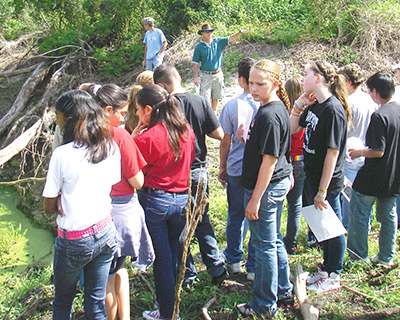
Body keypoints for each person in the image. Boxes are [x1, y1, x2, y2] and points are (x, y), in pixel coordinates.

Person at [42, 90, 120, 319]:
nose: (58, 123)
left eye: (59, 118)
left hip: (74, 238)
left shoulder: (62, 155)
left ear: (70, 119)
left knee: (62, 302)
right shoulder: (109, 145)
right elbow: (112, 183)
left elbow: (48, 207)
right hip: (105, 230)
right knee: (95, 303)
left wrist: (59, 199)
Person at [84, 83, 155, 320]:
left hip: (94, 209)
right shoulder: (120, 135)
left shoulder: (84, 133)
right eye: (122, 114)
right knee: (112, 273)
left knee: (110, 271)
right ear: (107, 110)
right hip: (121, 209)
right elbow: (137, 181)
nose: (125, 119)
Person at [153, 63, 228, 286]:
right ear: (178, 78)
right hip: (199, 169)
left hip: (174, 173)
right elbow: (219, 134)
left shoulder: (163, 107)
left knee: (178, 225)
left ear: (160, 85)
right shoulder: (200, 101)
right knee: (202, 219)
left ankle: (186, 274)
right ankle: (216, 268)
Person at [133, 84, 195, 320]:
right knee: (173, 252)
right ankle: (172, 305)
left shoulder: (147, 138)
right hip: (181, 199)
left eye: (139, 110)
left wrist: (132, 139)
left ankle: (167, 312)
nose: (137, 115)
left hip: (155, 200)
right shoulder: (185, 131)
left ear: (148, 109)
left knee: (161, 258)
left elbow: (133, 172)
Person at [236, 59, 293, 318]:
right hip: (275, 184)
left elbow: (269, 162)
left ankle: (263, 304)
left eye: (261, 84)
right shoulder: (272, 107)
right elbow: (279, 148)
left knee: (264, 245)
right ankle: (283, 289)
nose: (254, 88)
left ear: (275, 84)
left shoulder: (270, 114)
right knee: (273, 241)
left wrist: (255, 200)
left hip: (266, 190)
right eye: (251, 82)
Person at [291, 60, 349, 293]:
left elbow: (333, 153)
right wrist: (298, 105)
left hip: (328, 181)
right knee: (320, 226)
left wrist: (323, 191)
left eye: (306, 74)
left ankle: (334, 273)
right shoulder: (314, 106)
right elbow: (292, 128)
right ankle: (325, 268)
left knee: (331, 227)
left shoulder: (333, 109)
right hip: (311, 174)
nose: (303, 78)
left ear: (318, 78)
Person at [347, 71, 400, 267]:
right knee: (388, 216)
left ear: (376, 92)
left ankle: (359, 257)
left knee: (360, 214)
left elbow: (378, 151)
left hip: (373, 176)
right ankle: (386, 257)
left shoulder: (379, 116)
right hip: (394, 175)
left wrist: (359, 152)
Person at [218, 57, 258, 279]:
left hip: (236, 168)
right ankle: (252, 264)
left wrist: (222, 167)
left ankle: (233, 260)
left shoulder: (233, 105)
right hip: (260, 171)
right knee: (257, 218)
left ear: (242, 79)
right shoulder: (268, 104)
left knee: (235, 215)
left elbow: (226, 140)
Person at [337, 63, 377, 229]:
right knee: (365, 193)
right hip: (367, 151)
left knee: (348, 194)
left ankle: (348, 226)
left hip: (350, 152)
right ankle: (365, 224)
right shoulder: (371, 100)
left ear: (348, 83)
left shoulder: (348, 103)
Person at [192, 23, 251, 111]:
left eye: (211, 31)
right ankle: (207, 116)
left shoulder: (218, 41)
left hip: (218, 74)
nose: (209, 33)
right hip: (206, 75)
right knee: (205, 98)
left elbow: (230, 38)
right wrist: (195, 76)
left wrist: (240, 32)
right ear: (202, 33)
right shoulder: (199, 47)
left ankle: (214, 114)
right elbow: (195, 62)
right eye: (207, 31)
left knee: (216, 96)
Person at [282, 75, 306, 254]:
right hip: (302, 160)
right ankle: (292, 241)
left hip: (288, 160)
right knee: (295, 205)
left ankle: (283, 240)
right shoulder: (307, 113)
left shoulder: (285, 113)